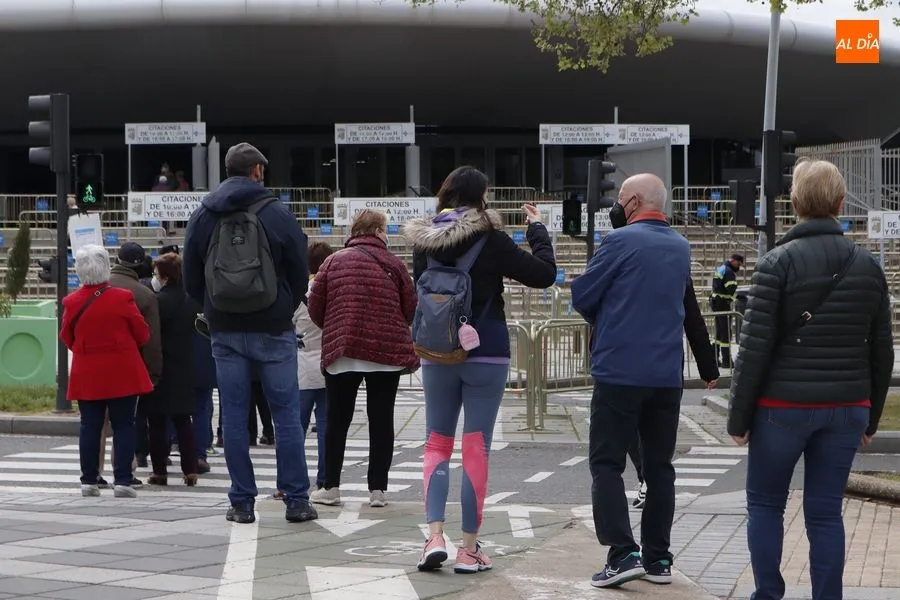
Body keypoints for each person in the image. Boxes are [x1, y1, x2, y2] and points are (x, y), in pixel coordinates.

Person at [728, 159, 894, 600]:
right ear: (841, 203)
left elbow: (755, 348)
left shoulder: (775, 264)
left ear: (795, 203)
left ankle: (768, 593)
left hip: (781, 409)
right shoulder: (868, 267)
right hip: (846, 409)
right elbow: (882, 352)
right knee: (825, 514)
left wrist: (738, 418)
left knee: (765, 504)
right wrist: (870, 418)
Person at [402, 166, 556, 574]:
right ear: (482, 197)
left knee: (436, 442)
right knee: (475, 446)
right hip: (486, 347)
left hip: (437, 350)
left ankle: (433, 536)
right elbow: (544, 275)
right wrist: (538, 231)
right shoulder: (492, 238)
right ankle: (469, 549)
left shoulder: (424, 240)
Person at [183, 142, 316, 525]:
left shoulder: (205, 213)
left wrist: (212, 307)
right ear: (258, 170)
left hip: (224, 329)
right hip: (272, 328)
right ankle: (295, 499)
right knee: (286, 415)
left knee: (236, 417)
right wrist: (284, 306)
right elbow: (297, 265)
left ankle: (242, 502)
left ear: (227, 171)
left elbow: (191, 271)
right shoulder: (275, 212)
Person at [571, 173, 690, 589]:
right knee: (659, 468)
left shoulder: (619, 242)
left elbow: (583, 295)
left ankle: (622, 553)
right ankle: (658, 559)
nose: (616, 205)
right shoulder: (680, 247)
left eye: (621, 199)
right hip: (666, 375)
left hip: (619, 371)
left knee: (607, 463)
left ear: (635, 202)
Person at [607, 198, 720, 509]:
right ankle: (649, 485)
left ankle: (647, 482)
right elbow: (693, 315)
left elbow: (692, 314)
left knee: (634, 436)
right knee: (641, 437)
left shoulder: (664, 260)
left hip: (629, 364)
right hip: (656, 367)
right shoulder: (654, 253)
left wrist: (708, 367)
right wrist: (708, 368)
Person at [308, 209, 419, 509]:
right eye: (384, 229)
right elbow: (410, 307)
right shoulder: (395, 265)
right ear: (378, 231)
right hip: (385, 353)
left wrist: (335, 327)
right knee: (381, 420)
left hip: (343, 351)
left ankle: (331, 486)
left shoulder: (332, 262)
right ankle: (377, 491)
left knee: (337, 421)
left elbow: (315, 305)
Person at [62, 244, 153, 498]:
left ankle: (89, 480)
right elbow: (142, 333)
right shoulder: (122, 297)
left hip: (87, 372)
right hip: (122, 372)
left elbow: (67, 337)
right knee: (124, 424)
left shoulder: (71, 302)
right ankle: (123, 480)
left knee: (89, 425)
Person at [102, 241, 163, 488]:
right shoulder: (144, 294)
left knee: (96, 423)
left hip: (94, 366)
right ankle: (124, 471)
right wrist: (154, 372)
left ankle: (93, 474)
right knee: (125, 421)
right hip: (129, 366)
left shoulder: (97, 287)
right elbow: (151, 339)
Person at [142, 253, 199, 486]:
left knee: (156, 421)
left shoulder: (158, 301)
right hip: (185, 363)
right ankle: (191, 469)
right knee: (184, 420)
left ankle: (160, 471)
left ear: (163, 275)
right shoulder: (191, 300)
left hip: (162, 364)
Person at [293, 241, 334, 490]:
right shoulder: (334, 289)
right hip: (329, 364)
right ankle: (325, 479)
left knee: (295, 427)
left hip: (301, 365)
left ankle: (294, 478)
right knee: (327, 428)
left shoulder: (298, 294)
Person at [710, 253, 744, 368]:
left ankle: (713, 358)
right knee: (725, 333)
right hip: (722, 304)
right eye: (739, 263)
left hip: (716, 303)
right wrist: (740, 297)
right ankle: (726, 361)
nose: (739, 266)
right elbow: (731, 290)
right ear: (734, 261)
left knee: (719, 332)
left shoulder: (722, 268)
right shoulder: (729, 272)